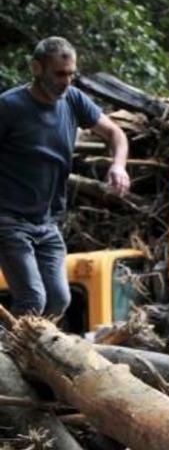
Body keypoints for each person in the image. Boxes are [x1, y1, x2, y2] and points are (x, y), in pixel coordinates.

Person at [0, 36, 130, 318]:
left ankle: (30, 355)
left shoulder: (73, 100)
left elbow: (115, 133)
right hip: (10, 221)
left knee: (58, 299)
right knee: (33, 298)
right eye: (59, 74)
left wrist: (118, 166)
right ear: (37, 68)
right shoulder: (9, 107)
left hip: (48, 221)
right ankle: (11, 357)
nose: (67, 81)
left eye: (71, 74)